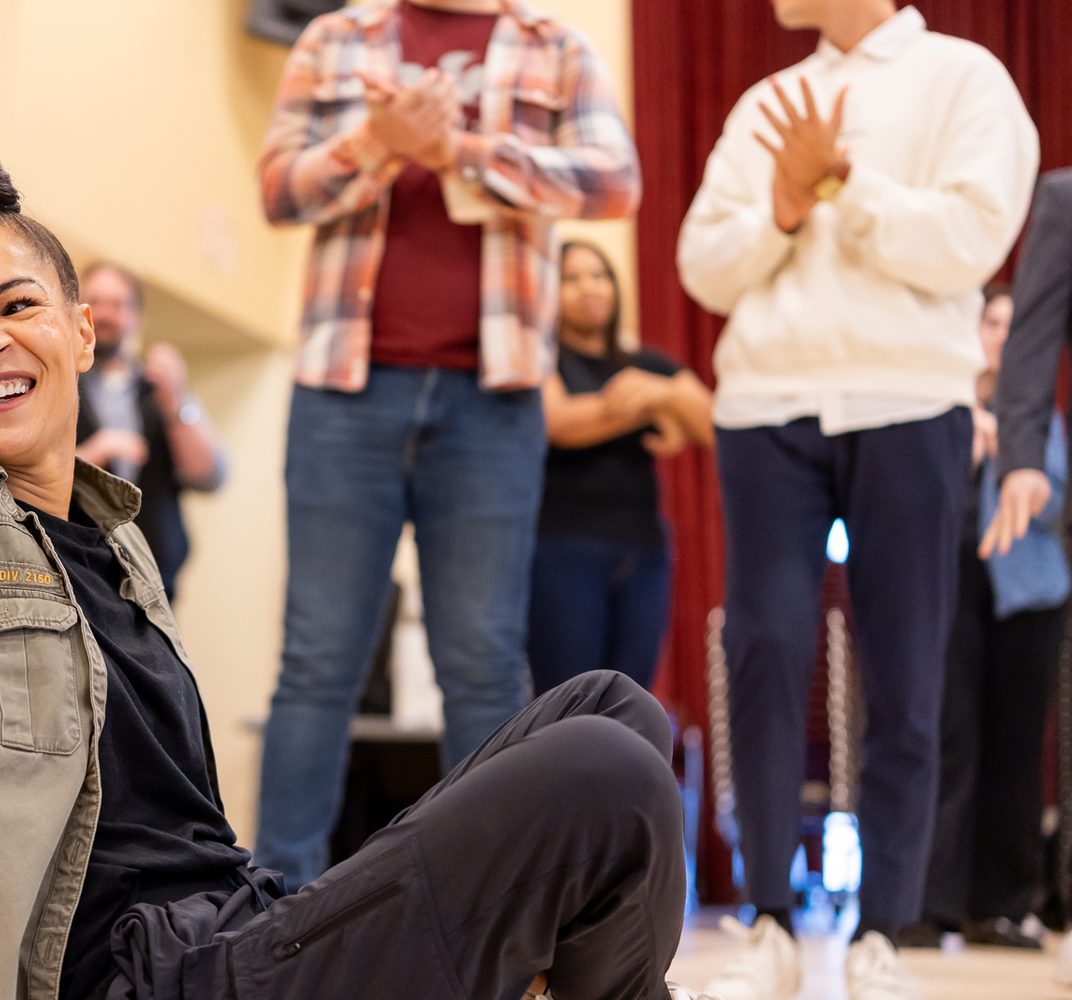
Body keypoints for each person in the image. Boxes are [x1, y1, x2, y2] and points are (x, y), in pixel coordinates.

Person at [0, 150, 714, 1000]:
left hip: (238, 927)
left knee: (613, 708)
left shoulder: (121, 542)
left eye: (17, 305)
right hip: (130, 980)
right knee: (607, 776)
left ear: (84, 335)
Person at [676, 0, 1038, 996]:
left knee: (904, 665)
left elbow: (969, 241)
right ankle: (768, 923)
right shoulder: (763, 101)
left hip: (908, 399)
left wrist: (843, 183)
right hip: (767, 404)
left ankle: (883, 930)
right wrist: (785, 204)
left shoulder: (963, 79)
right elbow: (701, 264)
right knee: (762, 644)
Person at [254, 0, 641, 890]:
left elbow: (615, 183)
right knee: (316, 661)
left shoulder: (558, 46)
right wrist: (375, 143)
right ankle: (272, 912)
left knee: (482, 663)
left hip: (493, 399)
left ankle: (484, 909)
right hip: (343, 388)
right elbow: (279, 189)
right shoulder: (334, 38)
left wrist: (458, 154)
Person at [903, 286, 1069, 952]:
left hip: (1029, 592)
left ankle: (1000, 905)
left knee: (1017, 745)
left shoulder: (1039, 414)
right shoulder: (936, 404)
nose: (1001, 335)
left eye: (1011, 322)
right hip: (948, 586)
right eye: (990, 323)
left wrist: (1009, 449)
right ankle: (927, 900)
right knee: (945, 734)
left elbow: (1055, 491)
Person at [527, 241, 712, 696]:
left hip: (642, 552)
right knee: (567, 703)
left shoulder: (646, 365)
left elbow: (711, 423)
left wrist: (657, 394)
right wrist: (652, 405)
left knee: (630, 700)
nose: (588, 288)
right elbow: (560, 423)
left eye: (599, 275)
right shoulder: (542, 358)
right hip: (561, 548)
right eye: (571, 278)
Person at [978, 168, 1072, 984]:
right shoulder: (1066, 201)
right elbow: (1036, 350)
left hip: (1035, 587)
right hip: (983, 589)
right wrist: (1016, 457)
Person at [75, 261, 227, 599]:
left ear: (137, 317)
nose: (105, 313)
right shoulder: (59, 385)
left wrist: (175, 401)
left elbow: (210, 476)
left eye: (118, 304)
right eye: (95, 302)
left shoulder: (162, 387)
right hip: (80, 569)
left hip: (156, 576)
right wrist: (92, 454)